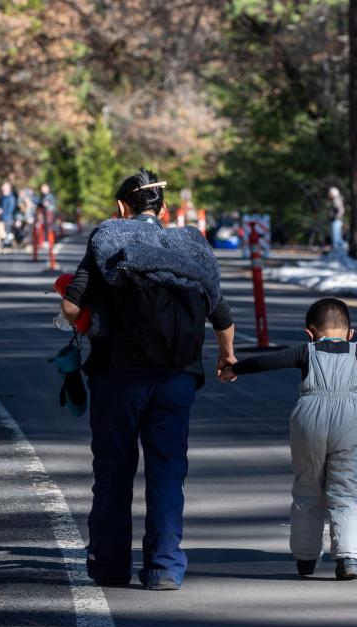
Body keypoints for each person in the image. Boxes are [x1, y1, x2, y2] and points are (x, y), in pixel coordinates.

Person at [59, 168, 236, 590]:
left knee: (114, 471)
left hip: (117, 377)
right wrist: (227, 356)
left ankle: (110, 566)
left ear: (123, 207)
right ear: (164, 209)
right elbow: (221, 312)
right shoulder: (191, 245)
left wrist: (92, 327)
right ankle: (163, 567)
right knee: (167, 471)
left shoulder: (108, 237)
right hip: (176, 378)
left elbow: (71, 306)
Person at [220, 298, 357, 580]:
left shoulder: (306, 351)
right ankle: (349, 558)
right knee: (346, 490)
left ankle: (305, 557)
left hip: (308, 419)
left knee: (307, 489)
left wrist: (234, 368)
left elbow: (269, 361)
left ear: (310, 333)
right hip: (348, 422)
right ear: (351, 333)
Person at [0, 182, 16, 253]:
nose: (3, 189)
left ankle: (8, 247)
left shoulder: (11, 198)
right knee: (1, 234)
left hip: (8, 218)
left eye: (5, 188)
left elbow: (11, 209)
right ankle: (3, 246)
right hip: (1, 218)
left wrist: (7, 216)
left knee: (8, 233)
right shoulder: (1, 197)